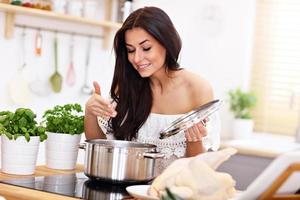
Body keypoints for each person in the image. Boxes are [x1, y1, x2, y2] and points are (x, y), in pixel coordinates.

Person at [84, 6, 220, 174]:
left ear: (166, 42)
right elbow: (101, 145)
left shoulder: (197, 88)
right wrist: (90, 112)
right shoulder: (128, 86)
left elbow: (199, 172)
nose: (137, 58)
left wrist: (194, 140)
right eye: (130, 50)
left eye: (146, 48)